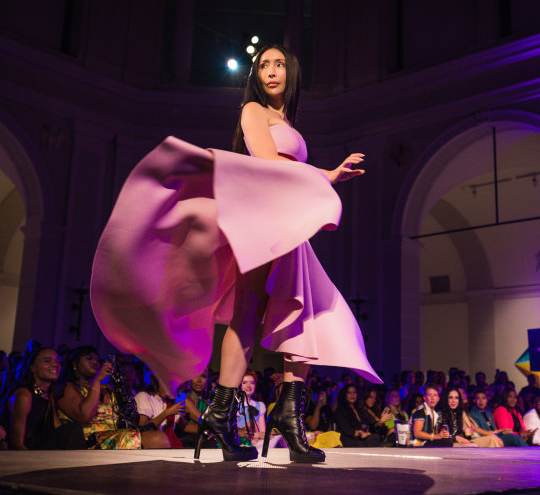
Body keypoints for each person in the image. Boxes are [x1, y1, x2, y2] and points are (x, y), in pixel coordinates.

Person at [90, 43, 381, 463]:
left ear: (291, 72)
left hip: (288, 222)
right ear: (256, 75)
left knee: (305, 315)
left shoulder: (286, 120)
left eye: (279, 64)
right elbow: (266, 160)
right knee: (249, 314)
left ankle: (277, 415)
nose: (272, 71)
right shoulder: (253, 110)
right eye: (264, 65)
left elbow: (289, 165)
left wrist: (330, 175)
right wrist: (319, 179)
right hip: (265, 217)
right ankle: (229, 414)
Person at [55, 346, 171, 449]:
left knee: (160, 438)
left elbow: (129, 418)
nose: (95, 361)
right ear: (74, 364)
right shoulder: (68, 387)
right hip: (89, 440)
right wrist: (97, 381)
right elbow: (84, 415)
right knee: (158, 439)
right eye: (89, 358)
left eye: (97, 358)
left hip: (116, 434)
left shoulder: (106, 388)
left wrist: (119, 387)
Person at [7, 348, 84, 450]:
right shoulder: (24, 395)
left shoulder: (47, 396)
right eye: (47, 361)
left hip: (39, 451)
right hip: (23, 455)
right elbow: (16, 443)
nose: (55, 365)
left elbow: (58, 430)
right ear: (33, 368)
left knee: (74, 430)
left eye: (57, 361)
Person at [238, 370, 266, 446]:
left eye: (252, 383)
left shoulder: (260, 405)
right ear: (239, 385)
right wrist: (257, 435)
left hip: (257, 444)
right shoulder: (235, 405)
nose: (248, 386)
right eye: (244, 382)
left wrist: (259, 436)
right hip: (241, 443)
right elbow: (237, 432)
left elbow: (262, 432)